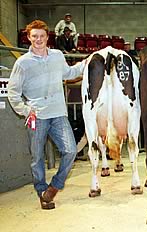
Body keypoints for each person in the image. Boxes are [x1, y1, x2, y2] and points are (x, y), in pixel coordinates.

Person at [8, 20, 86, 210]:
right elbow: (13, 92)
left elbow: (69, 73)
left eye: (42, 36)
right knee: (37, 158)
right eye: (34, 36)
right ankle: (42, 193)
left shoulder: (57, 56)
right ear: (29, 38)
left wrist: (86, 63)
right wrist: (27, 110)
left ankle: (54, 186)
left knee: (70, 150)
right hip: (37, 117)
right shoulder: (22, 63)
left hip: (58, 114)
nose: (38, 39)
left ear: (47, 37)